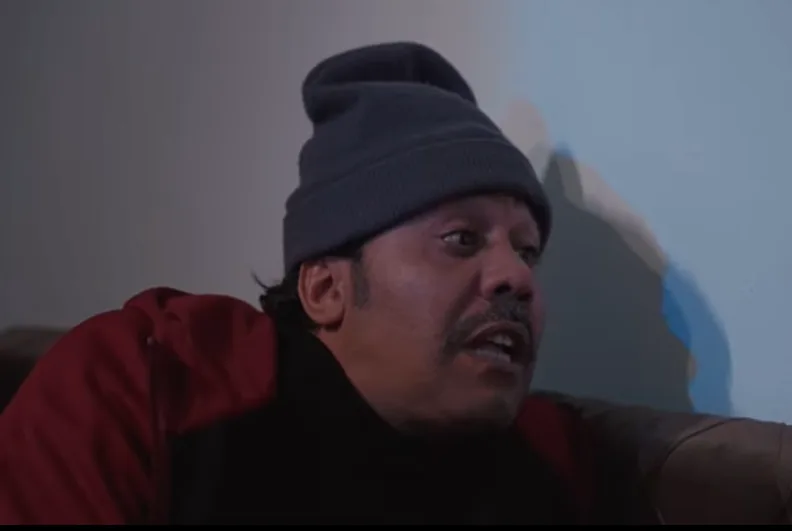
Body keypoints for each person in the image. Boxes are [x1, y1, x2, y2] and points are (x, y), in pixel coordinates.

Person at [0, 41, 596, 524]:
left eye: (528, 252)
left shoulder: (550, 464)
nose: (518, 277)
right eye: (461, 239)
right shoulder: (145, 386)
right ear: (325, 290)